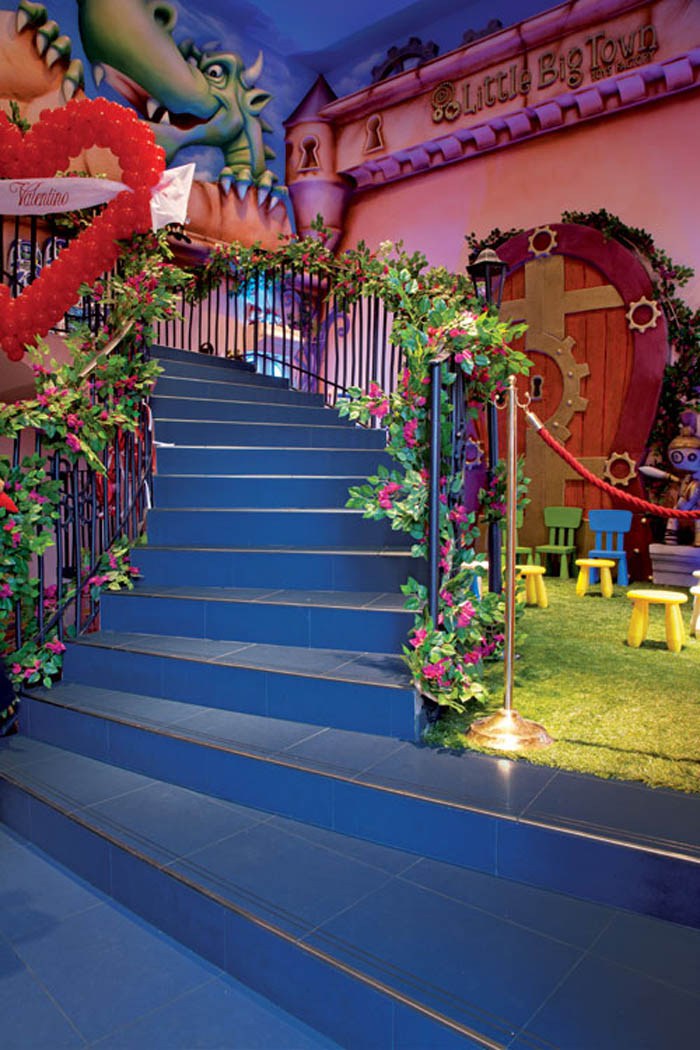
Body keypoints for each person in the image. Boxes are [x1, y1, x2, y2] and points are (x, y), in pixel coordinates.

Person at [664, 423, 700, 546]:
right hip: (688, 496)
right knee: (675, 513)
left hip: (694, 496)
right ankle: (671, 536)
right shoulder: (689, 477)